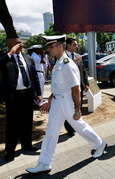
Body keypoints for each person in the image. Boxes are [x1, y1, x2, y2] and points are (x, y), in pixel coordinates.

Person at [26, 35, 107, 174]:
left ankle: (100, 144)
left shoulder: (67, 64)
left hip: (67, 103)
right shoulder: (58, 62)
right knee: (50, 134)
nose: (48, 50)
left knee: (80, 127)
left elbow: (76, 89)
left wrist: (77, 110)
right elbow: (58, 87)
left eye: (51, 47)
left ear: (60, 46)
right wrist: (49, 100)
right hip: (57, 103)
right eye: (48, 47)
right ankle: (44, 163)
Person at [0, 37, 41, 161]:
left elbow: (35, 76)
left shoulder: (28, 59)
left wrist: (38, 93)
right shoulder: (5, 58)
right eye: (17, 43)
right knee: (12, 124)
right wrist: (10, 54)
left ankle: (26, 144)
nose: (20, 44)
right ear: (9, 45)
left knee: (27, 121)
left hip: (28, 95)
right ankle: (10, 151)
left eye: (21, 42)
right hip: (14, 97)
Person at [64, 37, 89, 137]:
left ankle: (77, 126)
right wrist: (73, 61)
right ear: (68, 45)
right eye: (74, 44)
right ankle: (70, 129)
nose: (77, 46)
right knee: (69, 108)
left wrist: (86, 83)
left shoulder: (78, 56)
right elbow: (63, 69)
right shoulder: (63, 56)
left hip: (79, 88)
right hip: (68, 88)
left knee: (78, 107)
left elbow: (83, 70)